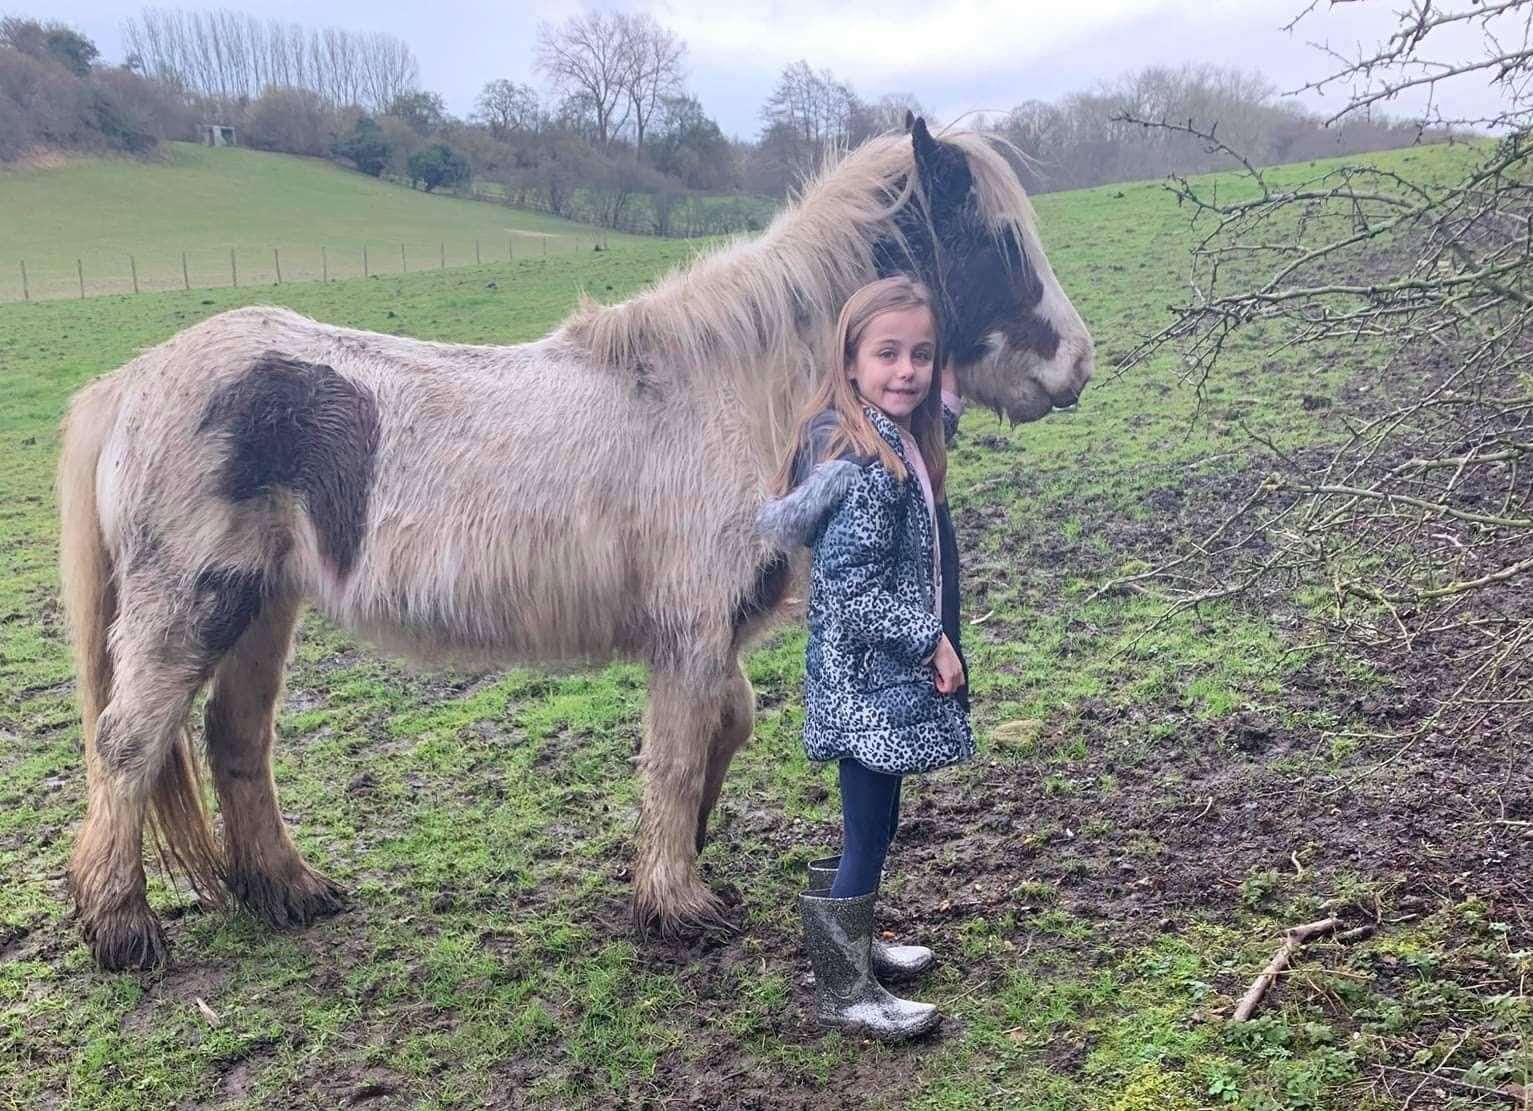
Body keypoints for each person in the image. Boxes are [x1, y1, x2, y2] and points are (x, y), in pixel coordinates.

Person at [756, 275, 974, 1042]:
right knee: (868, 830)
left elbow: (938, 405)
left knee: (869, 828)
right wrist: (930, 639)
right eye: (887, 354)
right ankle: (843, 989)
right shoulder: (865, 473)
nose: (906, 370)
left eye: (921, 354)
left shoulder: (895, 438)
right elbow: (850, 596)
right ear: (850, 362)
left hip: (867, 681)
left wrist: (952, 374)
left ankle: (852, 941)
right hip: (868, 683)